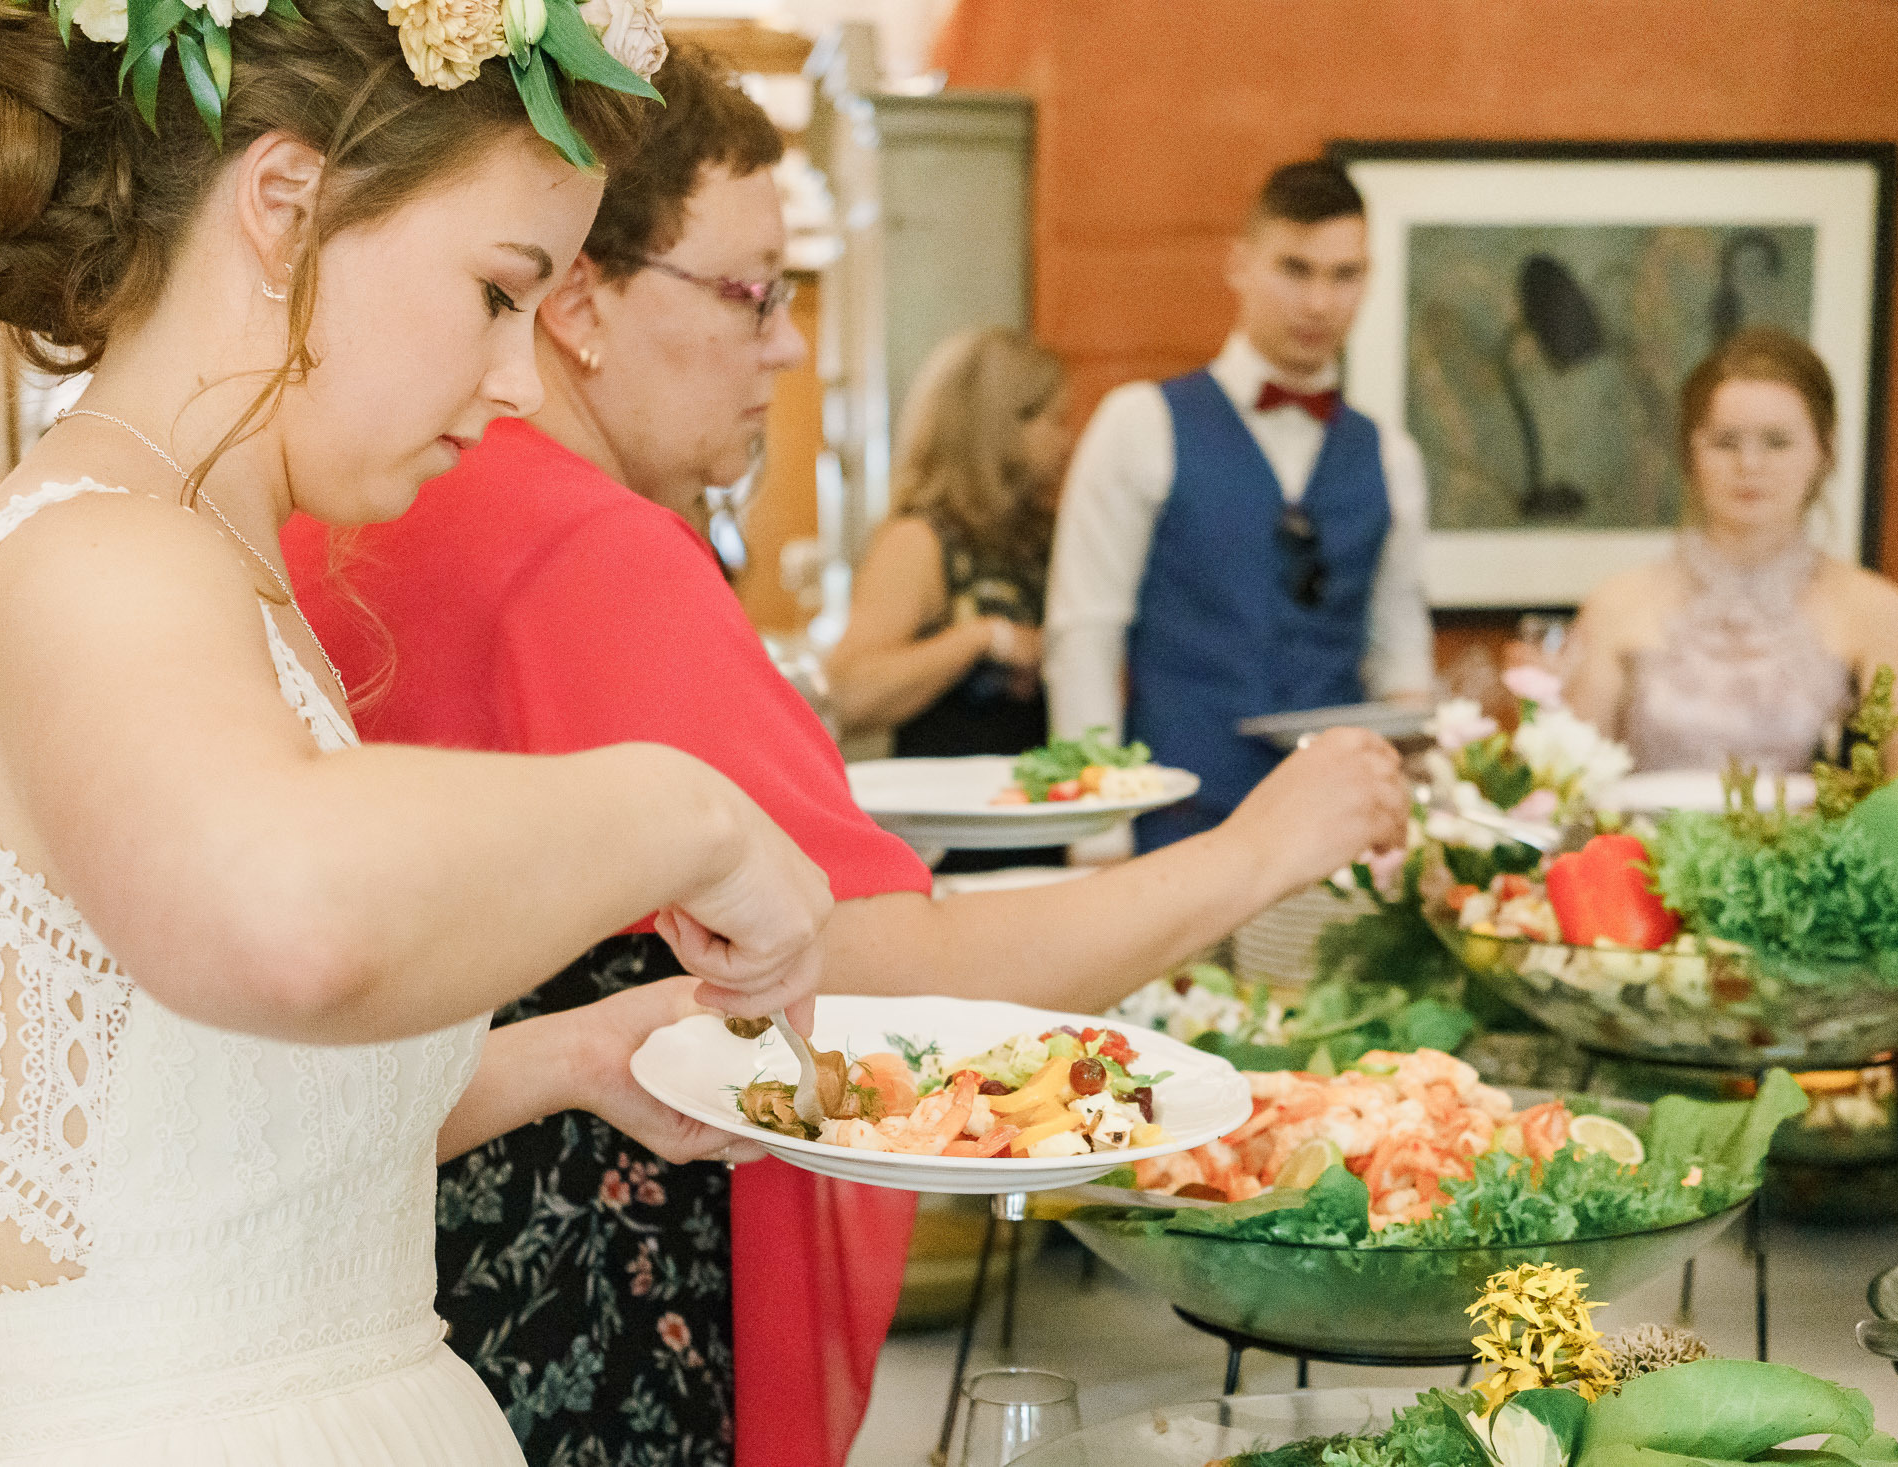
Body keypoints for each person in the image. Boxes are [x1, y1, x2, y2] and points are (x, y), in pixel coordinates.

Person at [286, 47, 1408, 1467]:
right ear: (581, 298)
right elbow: (871, 959)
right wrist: (1257, 852)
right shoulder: (583, 543)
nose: (790, 345)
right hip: (580, 1272)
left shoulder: (402, 500)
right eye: (753, 290)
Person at [0, 4, 836, 1464]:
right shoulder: (100, 560)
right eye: (502, 291)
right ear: (288, 210)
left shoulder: (195, 558)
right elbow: (283, 920)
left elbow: (194, 1152)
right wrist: (688, 807)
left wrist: (565, 1057)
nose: (514, 380)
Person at [1045, 160, 1434, 853]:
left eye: (1345, 275)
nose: (1320, 303)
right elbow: (1084, 639)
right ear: (1240, 265)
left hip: (1333, 839)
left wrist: (1411, 826)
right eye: (1296, 269)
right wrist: (1097, 837)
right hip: (1175, 825)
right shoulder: (1140, 424)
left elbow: (1400, 660)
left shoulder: (1392, 456)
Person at [1565, 327, 1898, 772]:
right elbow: (1569, 800)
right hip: (1641, 841)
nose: (1750, 466)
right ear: (1690, 453)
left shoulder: (1880, 612)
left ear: (1824, 450)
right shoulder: (1614, 604)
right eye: (1725, 442)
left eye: (1777, 442)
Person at [825, 326, 1069, 870]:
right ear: (1002, 428)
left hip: (1043, 823)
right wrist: (984, 638)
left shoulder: (1045, 535)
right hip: (955, 837)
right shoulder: (920, 540)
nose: (1065, 439)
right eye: (1053, 419)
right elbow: (849, 692)